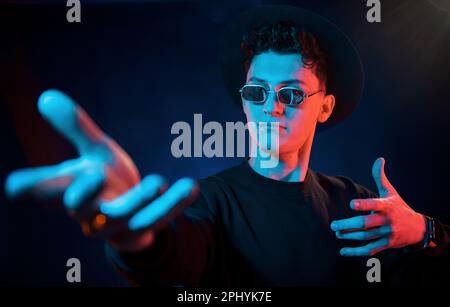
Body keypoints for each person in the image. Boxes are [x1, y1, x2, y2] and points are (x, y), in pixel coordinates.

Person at [5, 5, 450, 287]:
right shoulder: (209, 202)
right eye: (257, 93)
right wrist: (138, 240)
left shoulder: (357, 204)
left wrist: (425, 233)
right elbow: (178, 257)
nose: (271, 108)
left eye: (291, 94)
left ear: (325, 107)